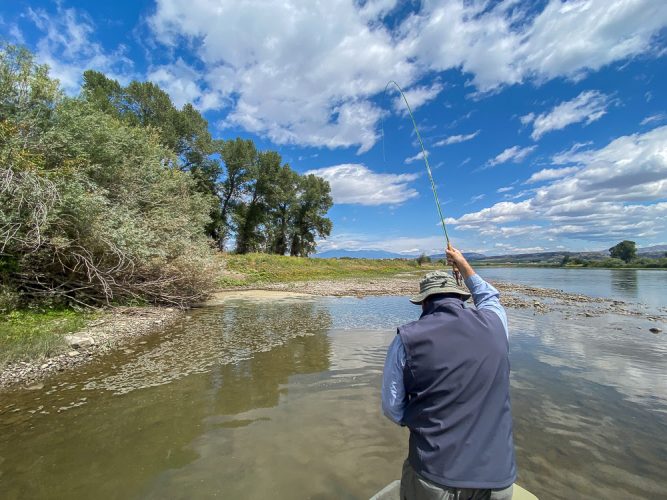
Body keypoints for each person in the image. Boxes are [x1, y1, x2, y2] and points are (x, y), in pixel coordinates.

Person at [382, 246, 516, 500]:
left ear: (423, 302)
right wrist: (463, 264)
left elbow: (392, 408)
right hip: (497, 477)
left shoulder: (405, 339)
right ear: (461, 297)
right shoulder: (496, 324)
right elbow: (489, 298)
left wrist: (416, 418)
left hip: (434, 474)